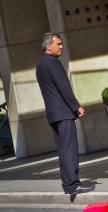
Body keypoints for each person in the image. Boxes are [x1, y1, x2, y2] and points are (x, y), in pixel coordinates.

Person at [36, 32, 92, 195]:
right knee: (69, 149)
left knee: (63, 149)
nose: (61, 47)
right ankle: (72, 184)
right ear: (49, 46)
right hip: (63, 113)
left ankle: (68, 184)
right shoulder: (53, 63)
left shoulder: (41, 65)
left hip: (53, 114)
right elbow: (64, 87)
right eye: (58, 44)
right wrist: (76, 106)